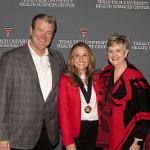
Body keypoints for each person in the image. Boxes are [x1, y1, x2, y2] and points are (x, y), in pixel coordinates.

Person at [0, 14, 65, 150]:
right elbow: (2, 101)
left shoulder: (58, 59)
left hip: (49, 135)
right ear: (31, 30)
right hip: (19, 136)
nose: (44, 36)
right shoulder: (10, 58)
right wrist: (2, 137)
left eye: (49, 32)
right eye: (40, 30)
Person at [97, 33, 150, 150]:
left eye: (118, 51)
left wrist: (137, 142)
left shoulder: (135, 77)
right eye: (110, 51)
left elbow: (145, 113)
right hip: (106, 136)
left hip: (128, 138)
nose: (114, 55)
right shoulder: (105, 73)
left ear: (126, 53)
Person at [58, 42, 101, 150]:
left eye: (84, 55)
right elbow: (63, 112)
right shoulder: (65, 80)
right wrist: (68, 140)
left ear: (89, 58)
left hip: (97, 131)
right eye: (77, 55)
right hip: (76, 132)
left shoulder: (98, 78)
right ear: (72, 60)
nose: (81, 59)